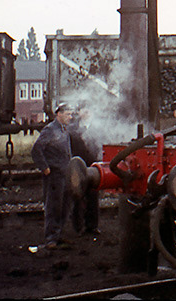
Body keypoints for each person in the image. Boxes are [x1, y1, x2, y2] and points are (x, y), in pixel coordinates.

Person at [31, 103, 73, 249]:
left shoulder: (64, 130)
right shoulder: (50, 130)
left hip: (65, 173)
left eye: (71, 114)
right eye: (68, 114)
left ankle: (58, 234)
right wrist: (45, 168)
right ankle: (51, 239)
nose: (70, 117)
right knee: (53, 206)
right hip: (54, 175)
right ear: (58, 114)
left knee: (65, 206)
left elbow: (67, 152)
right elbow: (36, 150)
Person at [68, 107, 100, 235]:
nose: (86, 112)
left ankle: (92, 226)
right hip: (77, 166)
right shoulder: (72, 129)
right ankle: (78, 227)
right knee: (77, 197)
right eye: (83, 109)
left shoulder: (98, 128)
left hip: (93, 165)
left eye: (88, 109)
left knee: (93, 197)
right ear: (79, 112)